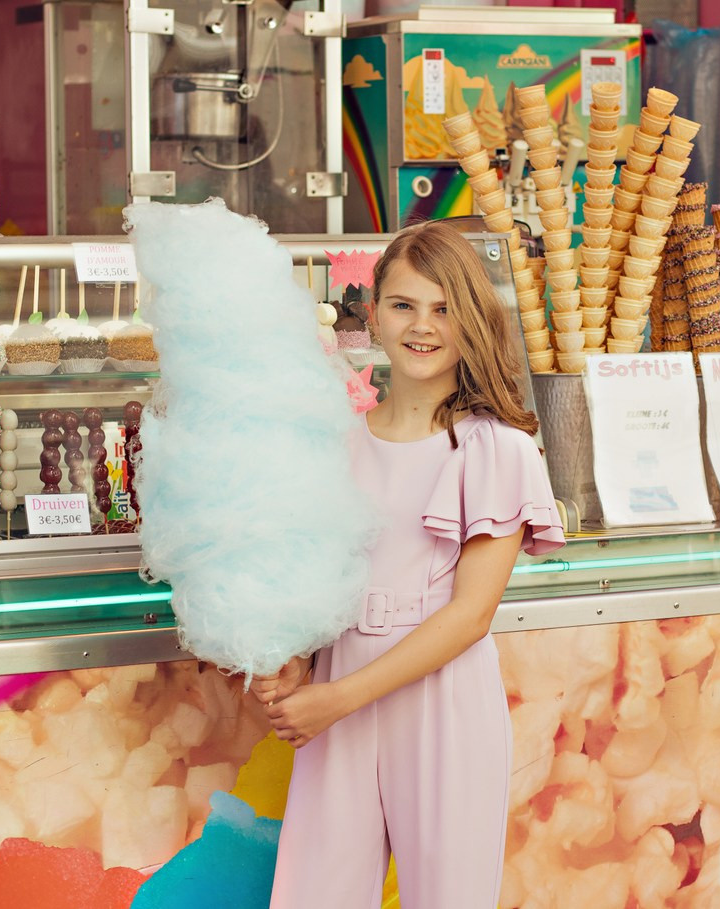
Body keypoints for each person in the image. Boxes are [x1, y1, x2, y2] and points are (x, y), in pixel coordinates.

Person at [254, 220, 565, 909]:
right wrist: (297, 660)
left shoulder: (495, 449)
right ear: (372, 314)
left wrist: (336, 698)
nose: (423, 327)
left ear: (472, 321)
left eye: (443, 308)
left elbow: (469, 614)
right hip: (338, 684)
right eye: (404, 305)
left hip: (442, 699)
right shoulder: (335, 441)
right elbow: (318, 581)